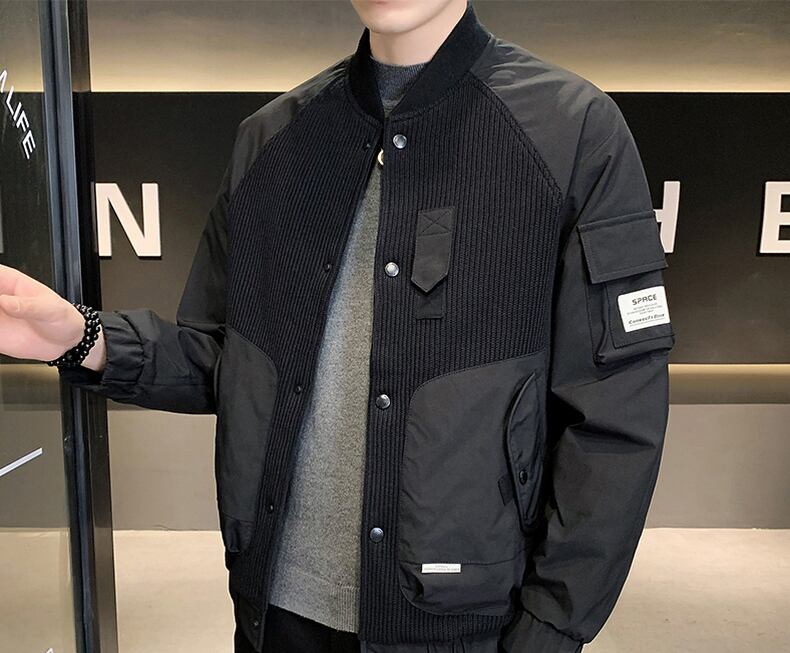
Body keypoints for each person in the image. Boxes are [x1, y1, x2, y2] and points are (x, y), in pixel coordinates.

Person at [0, 0, 676, 651]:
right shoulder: (271, 140)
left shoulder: (572, 132)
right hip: (277, 614)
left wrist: (553, 624)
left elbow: (616, 410)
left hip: (466, 626)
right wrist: (80, 338)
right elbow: (227, 358)